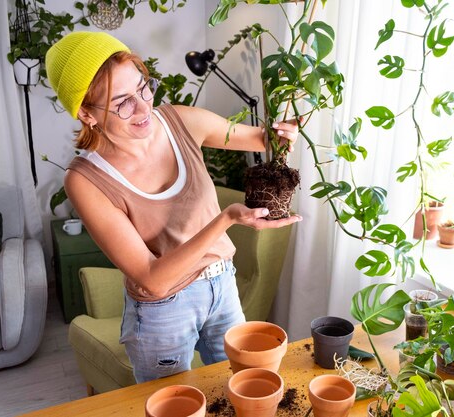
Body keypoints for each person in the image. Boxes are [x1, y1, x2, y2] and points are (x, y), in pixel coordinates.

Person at [45, 31, 301, 383]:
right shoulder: (86, 181)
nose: (143, 107)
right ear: (87, 113)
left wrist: (285, 128)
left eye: (143, 88)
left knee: (240, 389)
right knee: (175, 403)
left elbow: (262, 139)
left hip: (222, 286)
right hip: (163, 310)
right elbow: (153, 279)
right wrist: (225, 219)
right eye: (122, 102)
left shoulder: (181, 121)